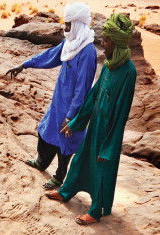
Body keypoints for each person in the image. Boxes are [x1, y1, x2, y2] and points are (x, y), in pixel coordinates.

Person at [46, 13, 137, 225]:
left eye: (106, 40)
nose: (102, 44)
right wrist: (76, 122)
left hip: (108, 133)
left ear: (116, 42)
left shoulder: (128, 72)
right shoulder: (109, 64)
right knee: (80, 159)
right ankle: (66, 192)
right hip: (95, 125)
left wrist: (109, 146)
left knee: (101, 170)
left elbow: (121, 114)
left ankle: (96, 211)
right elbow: (93, 97)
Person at [6, 2, 97, 190]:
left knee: (66, 141)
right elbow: (50, 56)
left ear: (78, 25)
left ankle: (59, 177)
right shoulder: (70, 44)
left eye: (68, 25)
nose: (65, 28)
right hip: (59, 101)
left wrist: (71, 116)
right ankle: (41, 162)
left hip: (72, 106)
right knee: (45, 130)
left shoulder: (87, 52)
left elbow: (83, 88)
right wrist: (25, 64)